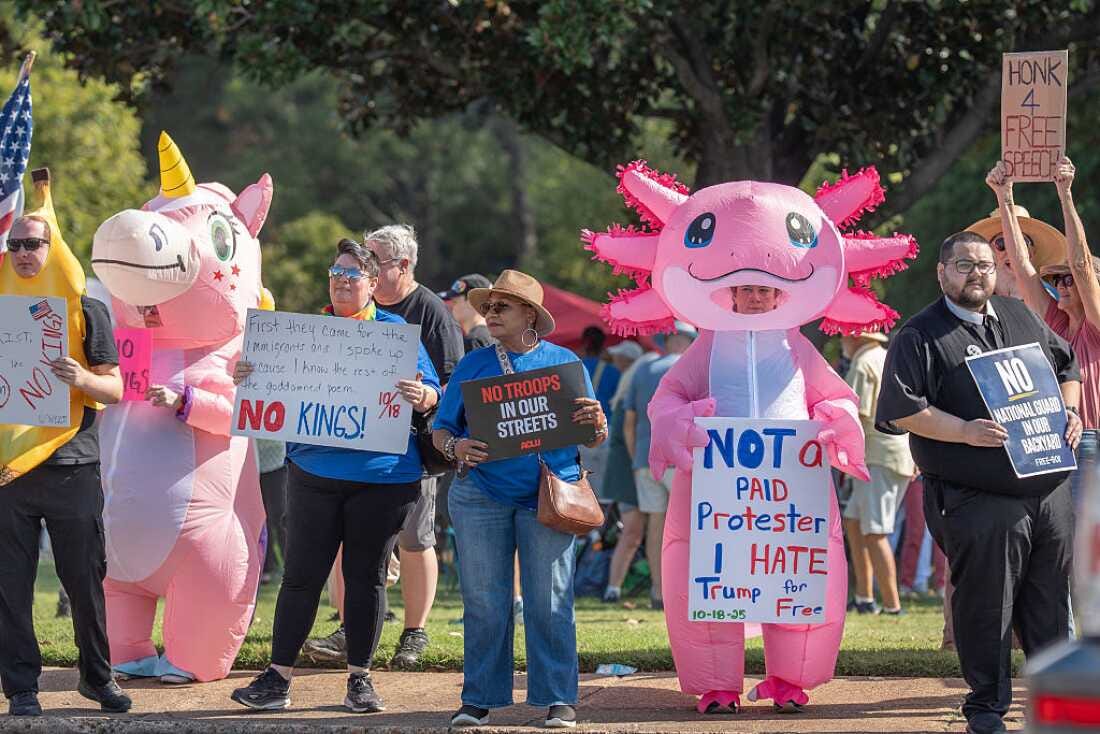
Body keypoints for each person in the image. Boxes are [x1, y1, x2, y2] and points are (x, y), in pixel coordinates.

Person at [876, 230, 1082, 734]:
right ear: (942, 272)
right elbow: (904, 410)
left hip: (1047, 488)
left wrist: (1071, 411)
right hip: (975, 496)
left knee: (1050, 602)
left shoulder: (1018, 314)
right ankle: (986, 708)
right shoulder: (918, 335)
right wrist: (964, 431)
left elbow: (1066, 365)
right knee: (988, 602)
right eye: (964, 265)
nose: (977, 274)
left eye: (986, 265)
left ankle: (1057, 703)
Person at [229, 239, 440, 713]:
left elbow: (434, 394)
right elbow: (266, 389)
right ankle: (277, 678)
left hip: (384, 477)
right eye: (335, 272)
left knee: (366, 578)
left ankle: (360, 681)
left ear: (373, 283)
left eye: (352, 274)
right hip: (312, 471)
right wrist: (248, 376)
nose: (342, 280)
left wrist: (423, 396)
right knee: (300, 577)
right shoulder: (304, 334)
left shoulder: (396, 334)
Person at [431, 269, 607, 729]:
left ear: (529, 314)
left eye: (501, 306)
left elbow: (589, 434)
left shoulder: (565, 363)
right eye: (487, 306)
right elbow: (441, 429)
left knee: (549, 600)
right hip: (481, 495)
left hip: (549, 496)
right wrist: (456, 448)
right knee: (485, 600)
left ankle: (558, 698)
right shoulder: (473, 364)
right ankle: (480, 699)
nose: (490, 313)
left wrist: (599, 423)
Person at [0, 174, 131, 716]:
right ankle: (22, 689)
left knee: (85, 581)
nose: (25, 253)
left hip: (73, 464)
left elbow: (116, 388)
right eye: (15, 245)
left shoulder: (85, 307)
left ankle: (97, 679)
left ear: (53, 247)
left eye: (34, 244)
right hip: (10, 471)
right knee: (10, 588)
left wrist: (80, 379)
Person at [304, 225, 464, 669]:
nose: (359, 271)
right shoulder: (338, 316)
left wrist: (425, 397)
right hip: (351, 447)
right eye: (348, 267)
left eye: (374, 262)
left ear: (401, 267)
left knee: (414, 538)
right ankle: (347, 626)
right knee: (350, 544)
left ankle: (414, 633)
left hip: (411, 450)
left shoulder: (430, 312)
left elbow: (449, 383)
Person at [984, 157, 1097, 508]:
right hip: (1055, 440)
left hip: (1093, 439)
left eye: (1069, 281)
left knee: (1086, 552)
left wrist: (1065, 194)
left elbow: (1080, 264)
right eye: (1056, 280)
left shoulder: (1096, 324)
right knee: (1060, 547)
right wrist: (1004, 195)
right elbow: (1021, 268)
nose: (1061, 286)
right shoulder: (1058, 324)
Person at [623, 322, 697, 610]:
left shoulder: (643, 368)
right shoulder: (691, 369)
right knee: (687, 526)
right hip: (682, 459)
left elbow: (629, 423)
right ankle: (685, 590)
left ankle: (658, 591)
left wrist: (636, 458)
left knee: (656, 522)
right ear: (689, 341)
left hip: (644, 457)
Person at [840, 330, 915, 616]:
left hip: (879, 455)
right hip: (888, 453)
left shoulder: (862, 362)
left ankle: (893, 606)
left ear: (855, 337)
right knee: (854, 522)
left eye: (844, 335)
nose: (842, 340)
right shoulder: (885, 357)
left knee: (875, 531)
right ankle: (864, 598)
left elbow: (854, 416)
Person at [598, 340, 650, 603]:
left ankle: (614, 587)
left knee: (634, 532)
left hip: (628, 470)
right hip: (628, 471)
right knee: (633, 531)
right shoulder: (627, 393)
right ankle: (613, 588)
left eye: (620, 357)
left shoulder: (628, 391)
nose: (615, 361)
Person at [257, 438, 288, 584]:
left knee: (280, 516)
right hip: (254, 463)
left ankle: (290, 565)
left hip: (277, 462)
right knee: (261, 518)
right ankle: (267, 567)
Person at [439, 273, 495, 351]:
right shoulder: (492, 335)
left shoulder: (474, 341)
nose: (450, 306)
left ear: (472, 302)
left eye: (455, 302)